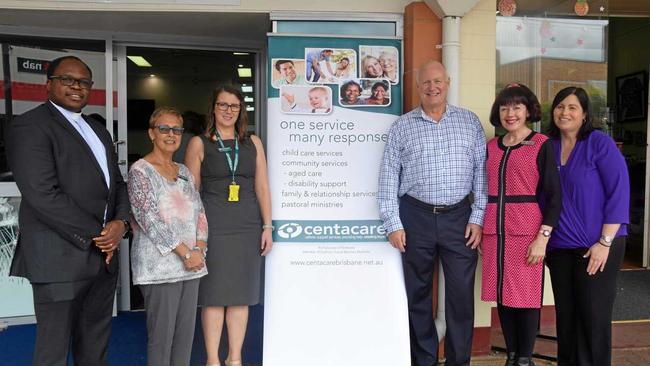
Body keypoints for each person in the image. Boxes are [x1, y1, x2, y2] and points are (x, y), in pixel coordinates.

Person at [6, 55, 129, 365]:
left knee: (95, 347)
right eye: (68, 80)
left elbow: (118, 184)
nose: (77, 86)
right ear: (49, 85)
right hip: (58, 259)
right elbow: (43, 195)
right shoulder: (30, 126)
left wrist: (121, 223)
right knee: (54, 351)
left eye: (84, 82)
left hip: (102, 260)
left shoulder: (97, 130)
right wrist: (101, 235)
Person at [378, 60, 487, 366]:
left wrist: (477, 217)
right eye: (426, 82)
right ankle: (424, 360)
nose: (432, 87)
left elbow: (481, 174)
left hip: (460, 220)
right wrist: (393, 223)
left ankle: (458, 361)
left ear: (447, 82)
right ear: (418, 87)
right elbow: (388, 177)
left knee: (461, 298)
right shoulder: (402, 127)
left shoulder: (470, 122)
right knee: (418, 296)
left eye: (437, 81)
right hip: (416, 218)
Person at [185, 86, 273, 366]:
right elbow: (191, 192)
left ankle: (235, 358)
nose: (227, 110)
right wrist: (193, 235)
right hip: (213, 227)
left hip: (247, 226)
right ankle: (212, 359)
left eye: (233, 106)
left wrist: (267, 226)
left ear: (240, 111)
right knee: (213, 296)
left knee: (241, 296)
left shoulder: (253, 143)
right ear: (213, 108)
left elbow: (262, 186)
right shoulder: (199, 143)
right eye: (222, 105)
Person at [545, 86, 629, 366]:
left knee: (593, 320)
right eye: (560, 106)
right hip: (559, 249)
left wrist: (604, 243)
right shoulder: (549, 146)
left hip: (598, 245)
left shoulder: (598, 143)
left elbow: (619, 193)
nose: (564, 112)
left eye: (572, 107)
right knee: (566, 319)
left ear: (584, 115)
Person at [480, 84, 561, 366]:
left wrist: (543, 238)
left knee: (525, 298)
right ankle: (511, 356)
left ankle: (525, 359)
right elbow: (481, 189)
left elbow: (554, 196)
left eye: (516, 107)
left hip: (526, 233)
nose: (510, 113)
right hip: (494, 232)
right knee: (502, 295)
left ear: (528, 111)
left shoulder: (541, 144)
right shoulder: (492, 146)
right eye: (504, 108)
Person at [128, 107, 208, 366]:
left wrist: (199, 252)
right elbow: (148, 219)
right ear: (152, 133)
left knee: (185, 338)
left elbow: (200, 213)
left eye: (177, 129)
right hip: (160, 269)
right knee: (161, 340)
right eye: (164, 128)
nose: (171, 134)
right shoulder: (140, 171)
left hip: (192, 266)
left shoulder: (185, 171)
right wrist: (186, 252)